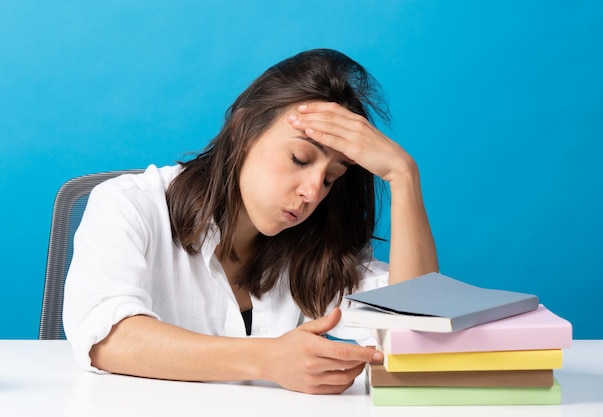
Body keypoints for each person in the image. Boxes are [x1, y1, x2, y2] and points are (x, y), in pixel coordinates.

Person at [62, 48, 438, 394]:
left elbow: (415, 332)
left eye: (330, 178)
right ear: (244, 133)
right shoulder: (130, 204)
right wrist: (267, 359)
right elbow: (107, 339)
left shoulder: (320, 243)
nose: (313, 192)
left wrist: (403, 178)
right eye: (300, 158)